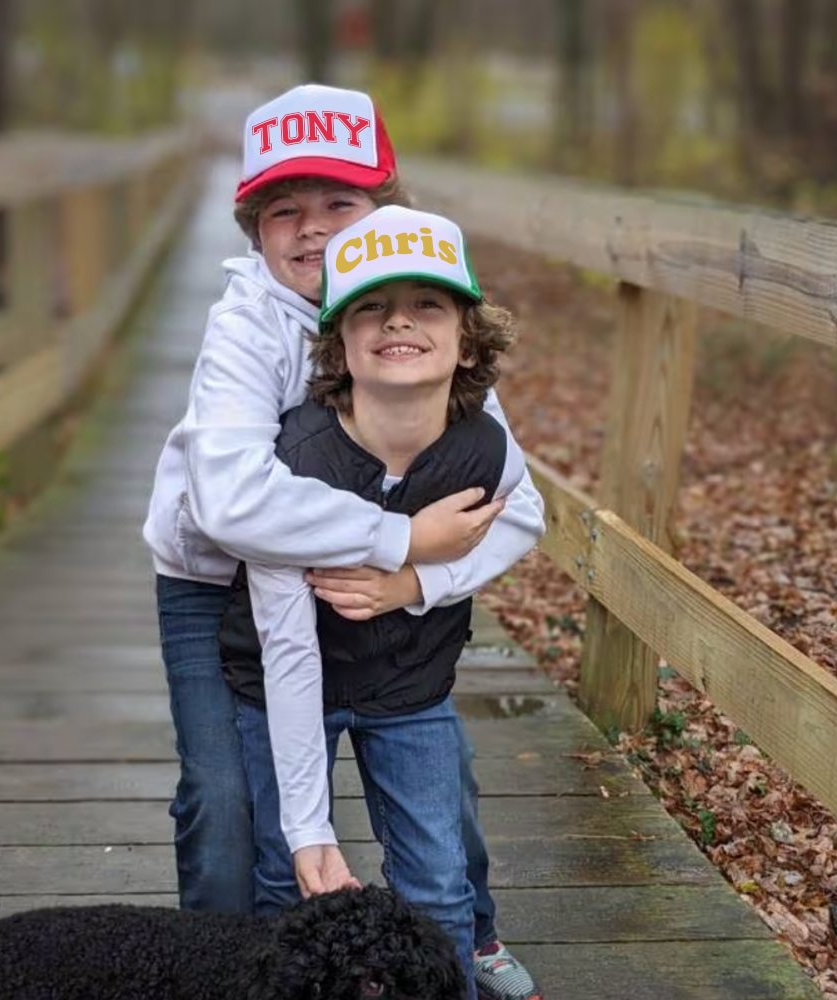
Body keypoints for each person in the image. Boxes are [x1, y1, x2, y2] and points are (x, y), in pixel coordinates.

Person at [141, 84, 546, 1000]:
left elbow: (506, 500)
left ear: (385, 211)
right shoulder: (244, 327)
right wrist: (402, 535)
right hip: (218, 586)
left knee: (438, 764)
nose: (312, 229)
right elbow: (233, 503)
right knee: (226, 798)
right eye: (284, 210)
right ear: (251, 229)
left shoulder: (425, 327)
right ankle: (221, 964)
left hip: (375, 591)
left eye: (341, 204)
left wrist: (414, 581)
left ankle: (470, 933)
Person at [218, 204, 543, 1000]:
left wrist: (415, 583)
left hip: (410, 686)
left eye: (428, 304)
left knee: (436, 880)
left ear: (468, 338)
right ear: (337, 343)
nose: (399, 320)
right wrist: (309, 827)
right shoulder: (289, 470)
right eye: (371, 306)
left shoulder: (483, 449)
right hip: (289, 684)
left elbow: (523, 520)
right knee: (286, 876)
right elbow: (290, 650)